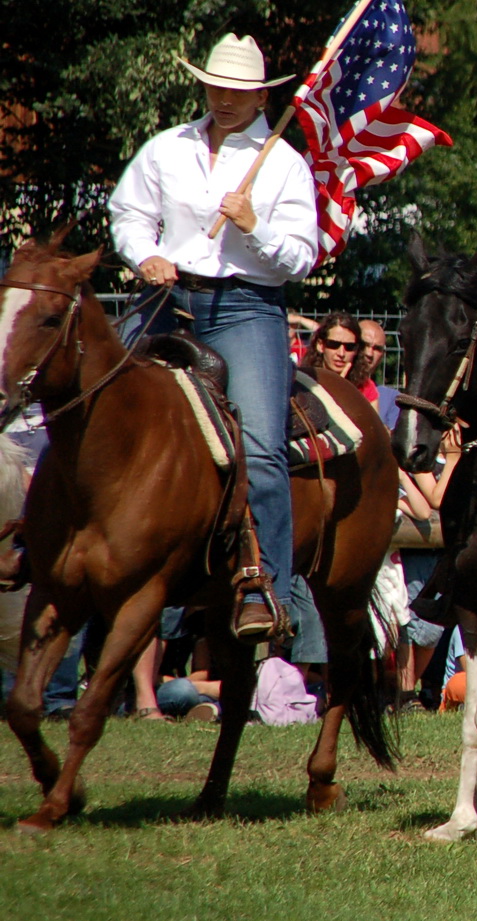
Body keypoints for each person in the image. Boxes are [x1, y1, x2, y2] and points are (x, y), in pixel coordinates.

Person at [110, 33, 316, 640]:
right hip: (163, 298)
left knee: (260, 445)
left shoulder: (282, 162)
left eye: (239, 91)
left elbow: (300, 257)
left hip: (245, 307)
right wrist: (145, 256)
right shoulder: (165, 148)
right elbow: (128, 214)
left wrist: (254, 228)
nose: (224, 98)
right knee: (89, 402)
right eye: (216, 86)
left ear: (259, 97)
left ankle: (266, 586)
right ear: (203, 85)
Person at [355, 319, 399, 427]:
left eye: (377, 349)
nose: (369, 353)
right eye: (364, 345)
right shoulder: (330, 384)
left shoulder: (392, 399)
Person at [302, 312, 362, 381]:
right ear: (320, 345)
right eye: (334, 344)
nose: (341, 353)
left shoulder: (365, 387)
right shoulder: (304, 382)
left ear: (357, 350)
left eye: (349, 347)